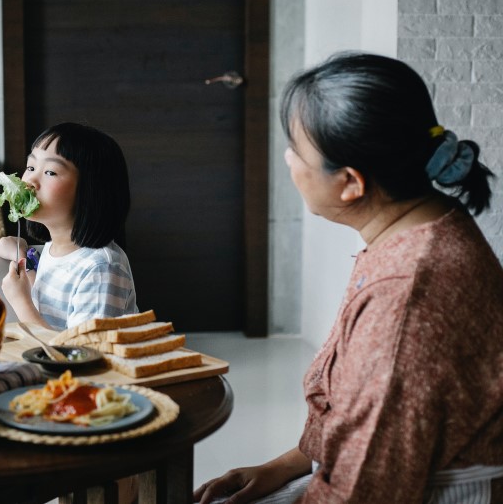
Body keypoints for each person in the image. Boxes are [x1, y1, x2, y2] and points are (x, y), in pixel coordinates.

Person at [195, 52, 503, 503]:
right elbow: (370, 424)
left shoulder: (406, 297)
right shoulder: (424, 224)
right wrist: (280, 468)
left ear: (350, 183)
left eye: (296, 149)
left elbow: (363, 491)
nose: (287, 157)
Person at [0, 122, 138, 330]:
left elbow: (83, 355)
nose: (30, 181)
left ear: (90, 192)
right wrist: (22, 257)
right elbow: (53, 302)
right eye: (31, 167)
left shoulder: (102, 269)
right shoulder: (54, 248)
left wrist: (21, 302)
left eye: (50, 172)